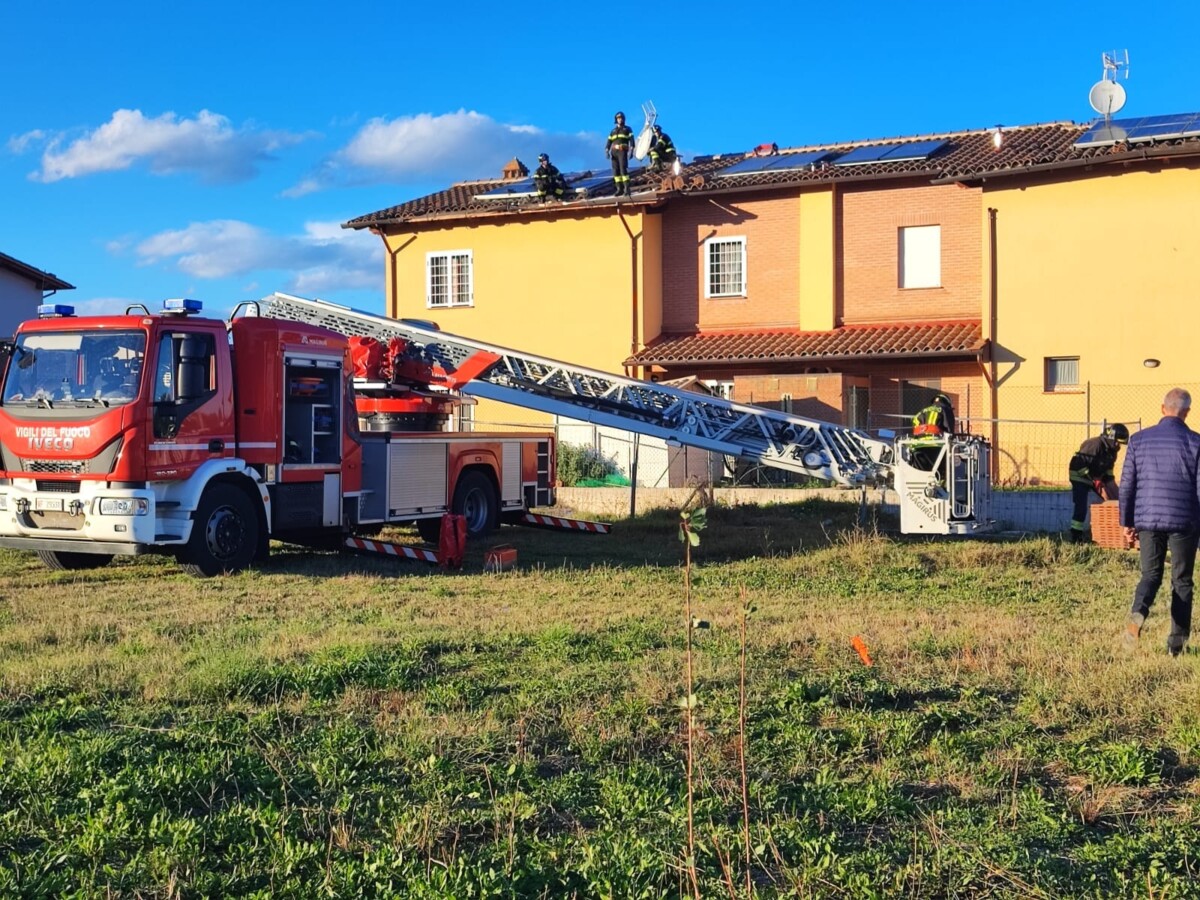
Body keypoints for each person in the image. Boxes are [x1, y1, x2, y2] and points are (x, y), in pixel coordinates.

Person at [1119, 387, 1200, 656]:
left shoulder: (1139, 440)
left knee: (1150, 575)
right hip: (1184, 521)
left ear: (1163, 408)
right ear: (1186, 412)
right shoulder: (1196, 442)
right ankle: (1176, 645)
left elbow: (1128, 484)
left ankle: (1137, 616)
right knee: (1182, 581)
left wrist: (1126, 521)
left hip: (1148, 519)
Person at [1067, 423, 1129, 543]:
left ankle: (1117, 531)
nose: (1119, 446)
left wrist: (1117, 496)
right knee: (1081, 506)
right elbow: (1079, 464)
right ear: (1111, 439)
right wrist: (1093, 479)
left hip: (1096, 477)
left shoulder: (1112, 451)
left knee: (1114, 499)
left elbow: (1109, 473)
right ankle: (1076, 536)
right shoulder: (1094, 445)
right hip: (1080, 476)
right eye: (1117, 442)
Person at [908, 393, 956, 474]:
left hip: (918, 447)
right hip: (936, 445)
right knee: (941, 472)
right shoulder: (945, 409)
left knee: (921, 472)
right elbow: (949, 430)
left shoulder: (921, 412)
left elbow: (914, 427)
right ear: (947, 402)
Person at [606, 111, 634, 197]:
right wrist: (607, 151)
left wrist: (631, 151)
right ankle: (619, 189)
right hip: (614, 152)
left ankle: (627, 189)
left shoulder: (627, 129)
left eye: (621, 118)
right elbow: (609, 142)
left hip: (622, 151)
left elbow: (632, 141)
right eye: (618, 118)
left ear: (624, 119)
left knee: (623, 169)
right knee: (615, 171)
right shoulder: (613, 131)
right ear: (616, 120)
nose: (620, 119)